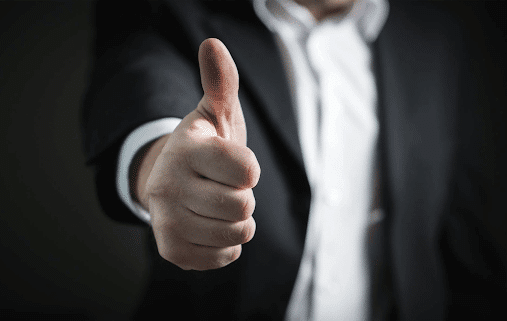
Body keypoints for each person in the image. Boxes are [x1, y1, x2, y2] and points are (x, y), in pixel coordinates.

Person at [81, 0, 506, 320]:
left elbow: (464, 240)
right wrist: (163, 171)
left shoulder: (441, 31)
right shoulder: (169, 10)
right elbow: (141, 93)